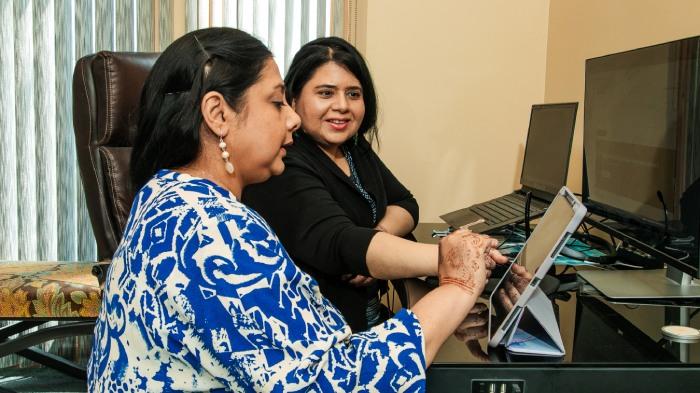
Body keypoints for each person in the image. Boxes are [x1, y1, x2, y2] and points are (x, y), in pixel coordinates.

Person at [87, 27, 507, 391]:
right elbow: (345, 383)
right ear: (217, 114)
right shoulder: (211, 230)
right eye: (276, 103)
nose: (291, 119)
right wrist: (456, 285)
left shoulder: (165, 195)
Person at [243, 37, 455, 331]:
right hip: (326, 336)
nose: (342, 106)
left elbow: (405, 203)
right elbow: (342, 244)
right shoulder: (284, 161)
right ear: (293, 100)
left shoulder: (355, 148)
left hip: (371, 321)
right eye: (326, 93)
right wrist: (456, 257)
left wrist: (377, 237)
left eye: (353, 94)